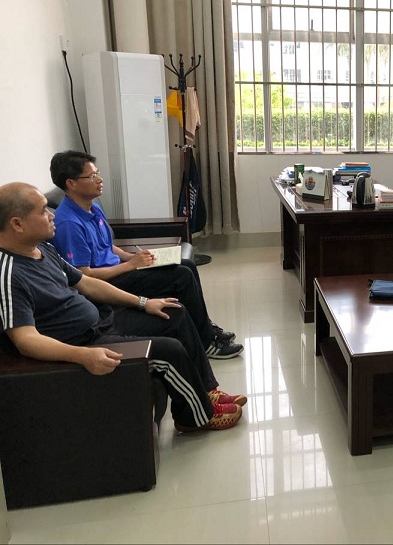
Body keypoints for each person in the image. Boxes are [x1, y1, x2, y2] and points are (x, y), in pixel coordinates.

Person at [0, 182, 247, 432]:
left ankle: (207, 391)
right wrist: (81, 355)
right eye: (43, 211)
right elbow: (26, 340)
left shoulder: (42, 248)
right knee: (169, 351)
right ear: (17, 224)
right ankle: (197, 417)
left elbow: (86, 283)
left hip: (101, 321)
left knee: (174, 312)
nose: (51, 215)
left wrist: (144, 302)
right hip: (83, 342)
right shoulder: (8, 274)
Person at [48, 150, 242, 360]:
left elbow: (106, 246)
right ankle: (207, 342)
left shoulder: (91, 207)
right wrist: (130, 265)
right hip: (108, 282)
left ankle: (204, 328)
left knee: (186, 264)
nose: (100, 180)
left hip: (119, 269)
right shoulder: (68, 224)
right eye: (92, 176)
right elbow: (84, 276)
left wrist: (130, 256)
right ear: (71, 183)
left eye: (98, 173)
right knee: (181, 276)